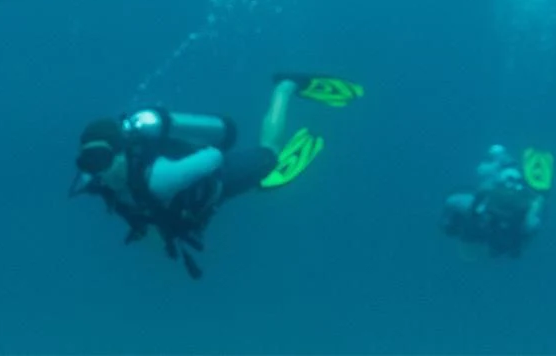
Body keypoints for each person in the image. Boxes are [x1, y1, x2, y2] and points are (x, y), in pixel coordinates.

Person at [68, 72, 364, 279]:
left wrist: (190, 167)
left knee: (269, 154)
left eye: (103, 160)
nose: (99, 171)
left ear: (120, 154)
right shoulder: (95, 179)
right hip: (186, 200)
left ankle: (285, 86)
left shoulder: (162, 178)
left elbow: (214, 157)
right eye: (89, 162)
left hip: (217, 180)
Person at [440, 144, 554, 258]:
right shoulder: (526, 205)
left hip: (491, 212)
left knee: (453, 201)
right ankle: (501, 157)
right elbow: (530, 227)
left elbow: (464, 200)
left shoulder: (494, 199)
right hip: (498, 214)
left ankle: (501, 157)